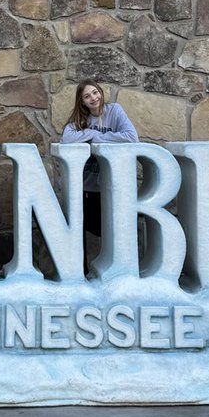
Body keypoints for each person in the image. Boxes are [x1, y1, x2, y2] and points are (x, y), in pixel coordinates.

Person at [60, 80, 139, 277]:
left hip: (108, 187)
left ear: (101, 93)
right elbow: (67, 138)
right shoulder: (80, 119)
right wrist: (92, 132)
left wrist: (95, 138)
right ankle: (80, 273)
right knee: (77, 230)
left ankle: (119, 271)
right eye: (87, 96)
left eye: (95, 93)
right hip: (86, 187)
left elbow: (131, 137)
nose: (93, 98)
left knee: (110, 230)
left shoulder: (114, 111)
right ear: (83, 102)